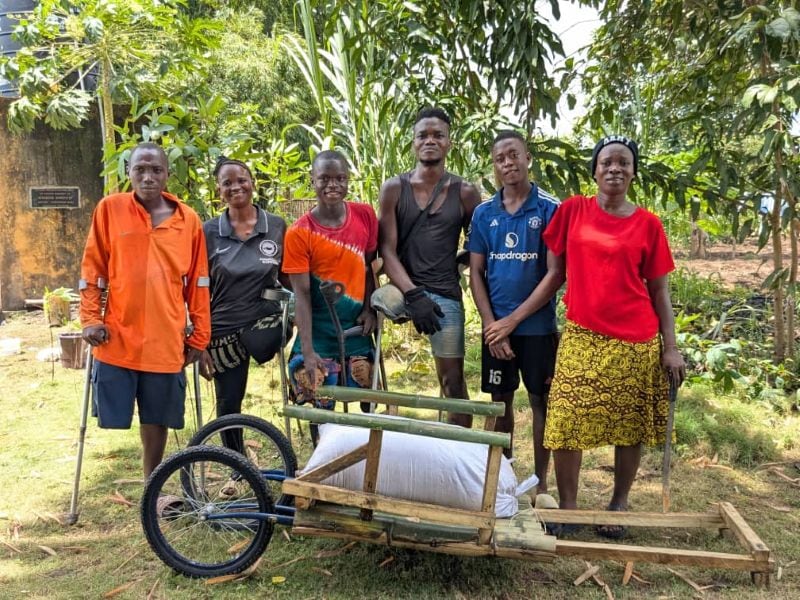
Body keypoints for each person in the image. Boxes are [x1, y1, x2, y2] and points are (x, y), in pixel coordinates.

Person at [542, 135, 686, 538]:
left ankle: (618, 502)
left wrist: (670, 348)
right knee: (566, 421)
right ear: (595, 170)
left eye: (624, 163)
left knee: (629, 426)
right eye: (607, 162)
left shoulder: (649, 224)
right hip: (582, 336)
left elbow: (659, 291)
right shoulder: (572, 211)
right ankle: (568, 507)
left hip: (636, 341)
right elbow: (555, 271)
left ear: (633, 172)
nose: (615, 169)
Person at [79, 142, 211, 480]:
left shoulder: (188, 220)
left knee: (158, 416)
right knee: (115, 415)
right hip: (119, 335)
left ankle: (153, 485)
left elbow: (198, 282)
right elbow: (93, 270)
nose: (148, 177)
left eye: (156, 170)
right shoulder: (109, 209)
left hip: (165, 339)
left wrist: (200, 335)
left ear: (168, 174)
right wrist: (91, 319)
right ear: (129, 173)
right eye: (141, 169)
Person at [468, 131, 562, 493]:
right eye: (499, 159)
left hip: (537, 328)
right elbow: (476, 271)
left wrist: (513, 321)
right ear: (494, 166)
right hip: (496, 330)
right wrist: (493, 325)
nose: (507, 163)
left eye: (513, 155)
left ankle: (541, 484)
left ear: (528, 158)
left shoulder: (549, 209)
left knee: (541, 402)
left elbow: (555, 273)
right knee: (500, 403)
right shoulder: (484, 213)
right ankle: (503, 479)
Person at [375, 107, 481, 426]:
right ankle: (367, 408)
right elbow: (387, 251)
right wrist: (414, 294)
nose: (430, 141)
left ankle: (459, 454)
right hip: (402, 288)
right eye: (423, 135)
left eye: (438, 135)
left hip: (444, 292)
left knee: (452, 382)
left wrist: (459, 263)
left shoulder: (465, 192)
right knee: (378, 301)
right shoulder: (394, 188)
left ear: (449, 143)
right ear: (413, 143)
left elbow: (477, 245)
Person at [199, 157, 287, 487]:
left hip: (263, 323)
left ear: (252, 182)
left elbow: (290, 278)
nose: (236, 187)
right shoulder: (208, 231)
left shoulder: (276, 225)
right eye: (227, 183)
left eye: (242, 180)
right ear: (218, 190)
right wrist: (200, 340)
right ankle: (237, 466)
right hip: (222, 331)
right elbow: (197, 287)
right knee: (228, 402)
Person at [282, 150, 378, 408]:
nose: (333, 185)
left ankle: (364, 449)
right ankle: (323, 447)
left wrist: (370, 310)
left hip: (356, 329)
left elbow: (370, 268)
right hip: (318, 333)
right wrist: (308, 351)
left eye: (340, 178)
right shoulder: (299, 233)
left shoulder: (364, 216)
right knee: (319, 398)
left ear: (348, 180)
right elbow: (301, 294)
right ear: (313, 180)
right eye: (324, 178)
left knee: (364, 389)